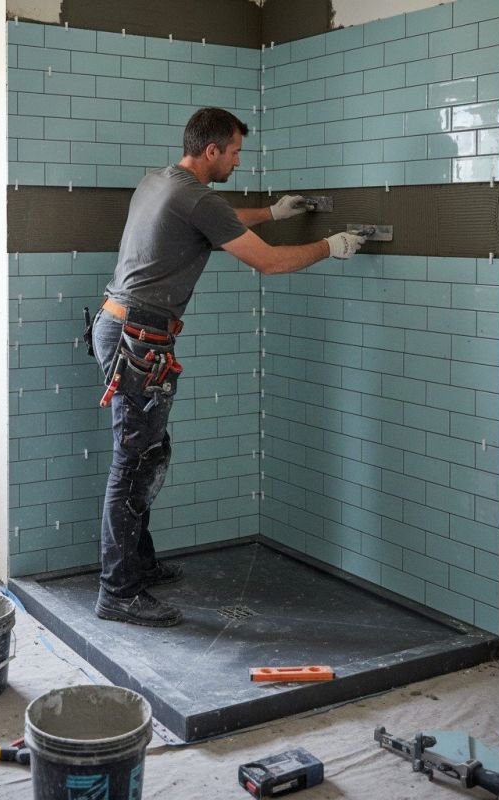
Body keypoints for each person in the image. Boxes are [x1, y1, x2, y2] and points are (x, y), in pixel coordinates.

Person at [90, 107, 365, 627]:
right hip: (139, 337)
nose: (239, 160)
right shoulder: (195, 197)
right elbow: (270, 262)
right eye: (235, 151)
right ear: (211, 151)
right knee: (132, 462)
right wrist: (331, 246)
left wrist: (272, 213)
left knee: (147, 453)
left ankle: (137, 568)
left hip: (121, 325)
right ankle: (117, 592)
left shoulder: (161, 182)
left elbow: (213, 217)